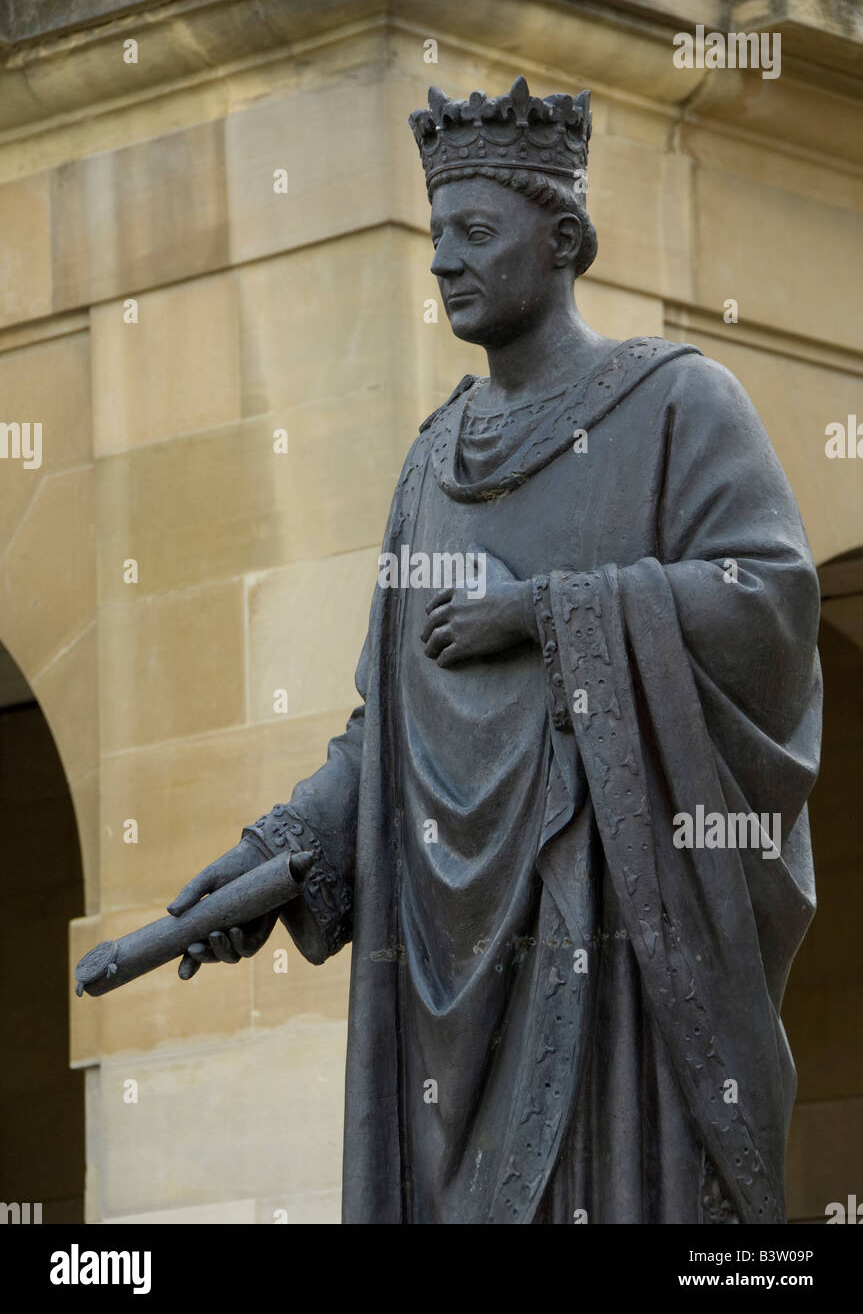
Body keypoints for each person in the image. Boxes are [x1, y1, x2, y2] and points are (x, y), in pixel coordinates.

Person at [168, 77, 822, 1224]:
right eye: (435, 238)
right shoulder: (428, 466)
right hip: (451, 992)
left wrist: (544, 613)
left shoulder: (678, 406)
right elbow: (388, 730)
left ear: (561, 238)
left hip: (622, 966)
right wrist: (277, 860)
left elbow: (766, 603)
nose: (441, 263)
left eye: (474, 233)